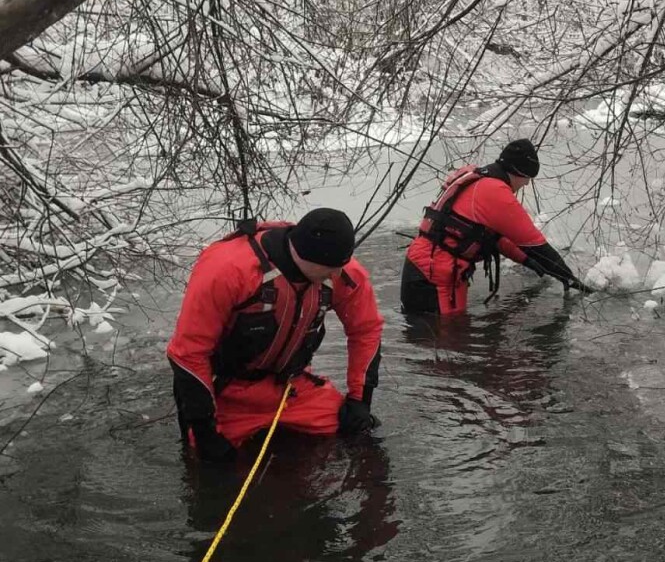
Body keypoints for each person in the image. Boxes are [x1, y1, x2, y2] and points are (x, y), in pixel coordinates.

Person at [168, 208, 383, 463]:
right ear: (303, 255)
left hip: (289, 387)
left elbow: (365, 330)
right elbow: (188, 352)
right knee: (209, 461)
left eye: (340, 267)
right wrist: (205, 429)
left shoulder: (340, 269)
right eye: (330, 269)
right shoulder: (228, 269)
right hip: (228, 391)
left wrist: (360, 401)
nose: (336, 275)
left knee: (361, 431)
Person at [400, 138, 589, 315]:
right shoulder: (495, 193)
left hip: (423, 266)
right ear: (517, 172)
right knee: (447, 333)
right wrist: (569, 278)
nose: (526, 184)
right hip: (434, 276)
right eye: (527, 178)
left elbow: (494, 238)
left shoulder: (475, 176)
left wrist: (527, 261)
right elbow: (537, 246)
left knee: (433, 331)